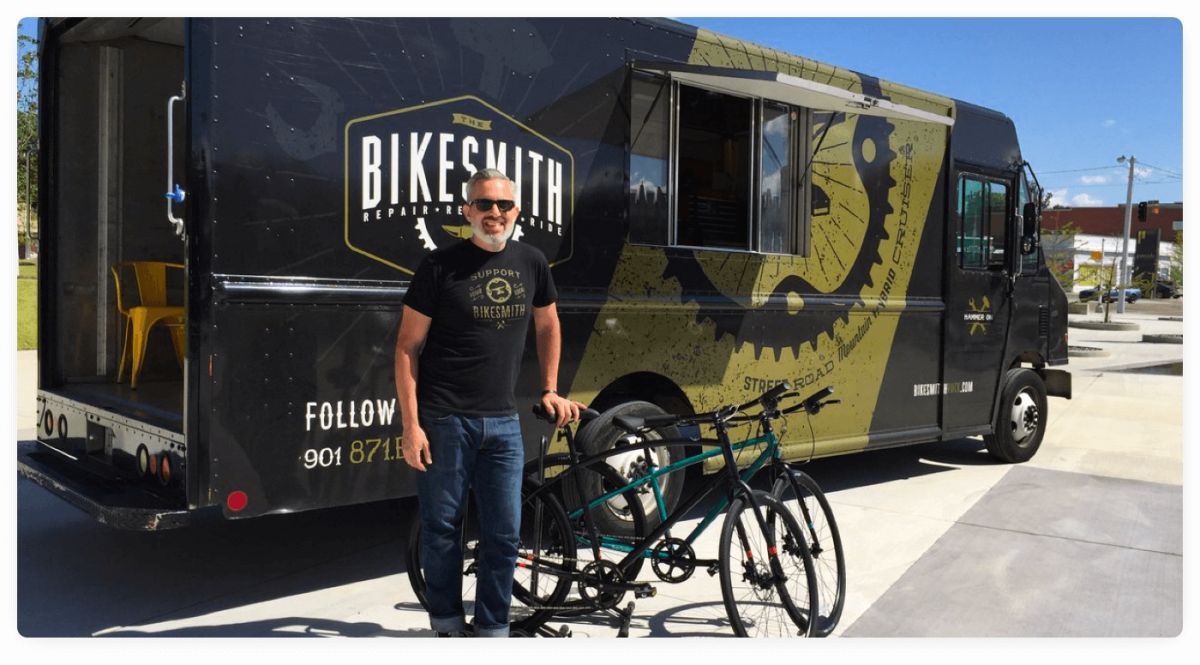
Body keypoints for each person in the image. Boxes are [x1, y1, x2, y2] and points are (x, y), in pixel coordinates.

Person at [395, 168, 584, 637]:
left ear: (517, 212)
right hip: (444, 420)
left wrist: (549, 386)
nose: (494, 213)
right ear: (467, 211)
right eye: (484, 204)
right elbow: (405, 349)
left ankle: (492, 629)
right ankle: (446, 623)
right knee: (442, 531)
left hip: (502, 422)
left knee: (503, 536)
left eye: (503, 205)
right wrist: (412, 426)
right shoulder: (439, 267)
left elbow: (548, 325)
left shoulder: (532, 262)